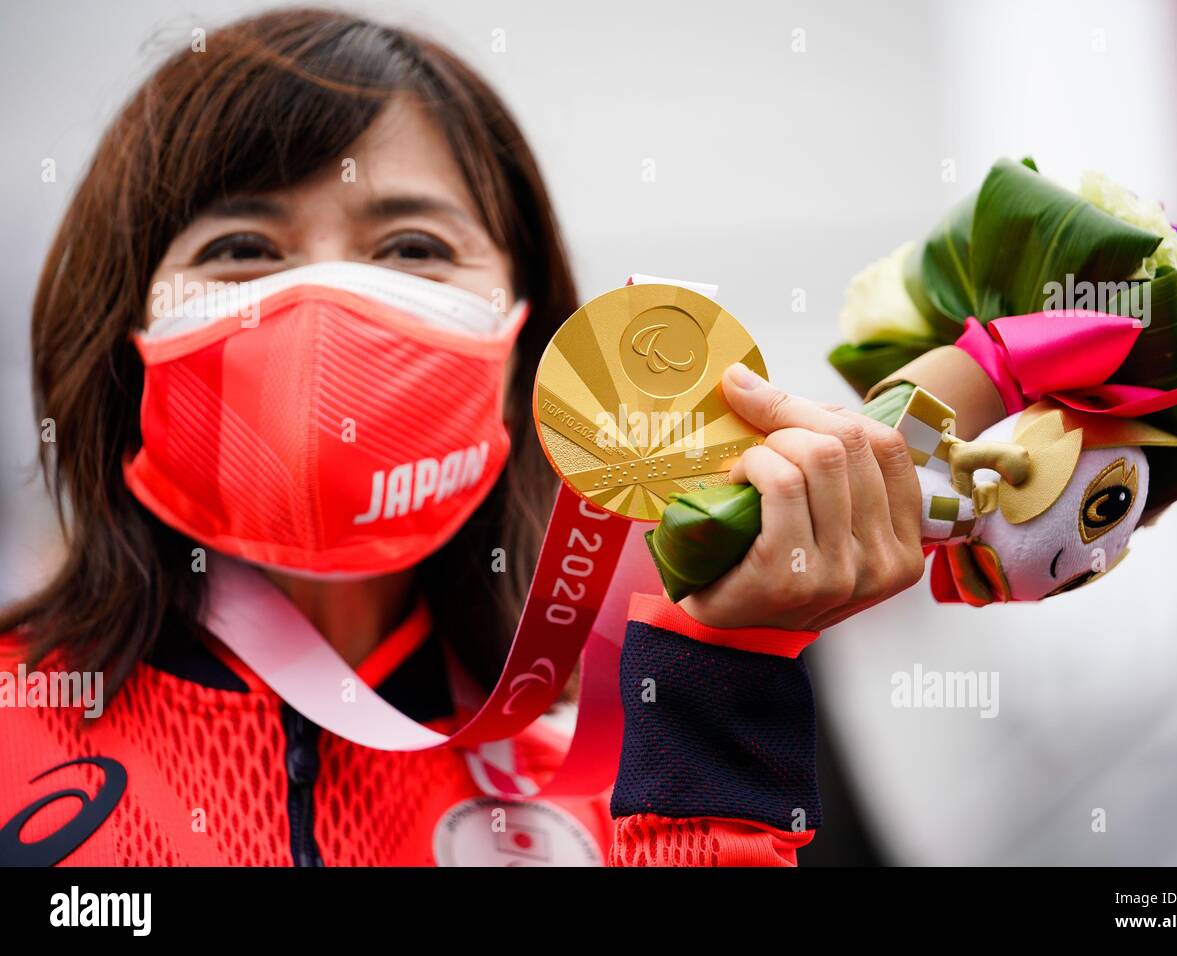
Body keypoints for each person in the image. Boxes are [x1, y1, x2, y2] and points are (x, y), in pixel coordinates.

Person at [0, 8, 922, 867]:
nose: (331, 298)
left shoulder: (617, 759)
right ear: (126, 335)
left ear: (524, 348)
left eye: (411, 248)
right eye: (242, 246)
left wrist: (727, 676)